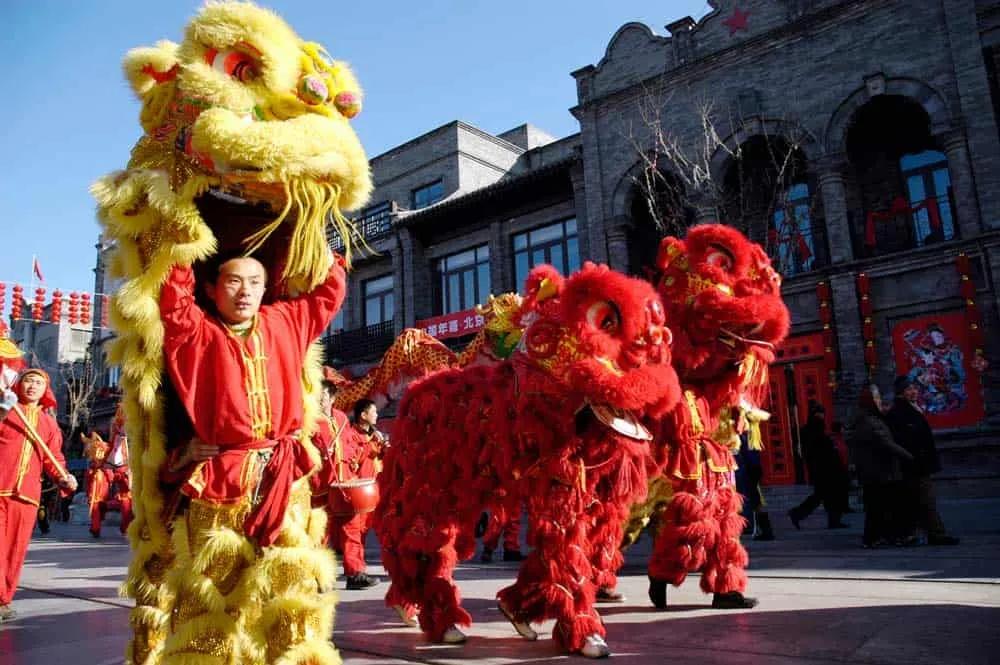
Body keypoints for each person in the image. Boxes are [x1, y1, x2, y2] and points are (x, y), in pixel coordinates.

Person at [157, 249, 346, 660]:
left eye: (255, 282)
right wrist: (179, 240)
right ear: (212, 289)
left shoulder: (287, 321)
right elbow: (173, 299)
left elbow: (330, 291)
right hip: (221, 476)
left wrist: (315, 239)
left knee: (290, 589)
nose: (245, 292)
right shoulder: (196, 333)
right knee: (213, 592)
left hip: (284, 479)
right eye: (233, 281)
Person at [0, 368, 77, 622]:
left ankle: (4, 600)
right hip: (1, 488)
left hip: (28, 495)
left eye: (38, 383)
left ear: (46, 391)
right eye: (28, 381)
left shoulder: (49, 424)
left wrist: (65, 477)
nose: (32, 386)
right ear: (18, 385)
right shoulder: (6, 409)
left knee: (16, 550)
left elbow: (53, 459)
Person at [887, 375, 960, 546]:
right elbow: (903, 440)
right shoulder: (899, 413)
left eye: (915, 388)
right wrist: (914, 458)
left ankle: (915, 534)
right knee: (924, 500)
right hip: (914, 465)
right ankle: (934, 533)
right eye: (910, 389)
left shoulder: (912, 409)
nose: (914, 392)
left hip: (918, 463)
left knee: (918, 500)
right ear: (901, 393)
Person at [327, 399, 387, 590]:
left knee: (359, 534)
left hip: (371, 492)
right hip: (355, 493)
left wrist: (383, 448)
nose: (376, 415)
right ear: (363, 415)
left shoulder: (372, 436)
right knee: (352, 534)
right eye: (373, 411)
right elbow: (352, 461)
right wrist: (370, 447)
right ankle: (354, 572)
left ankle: (356, 569)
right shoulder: (351, 435)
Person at [847, 384, 914, 548]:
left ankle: (878, 537)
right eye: (876, 398)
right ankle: (888, 537)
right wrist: (909, 457)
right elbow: (886, 443)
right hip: (880, 472)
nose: (879, 401)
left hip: (873, 472)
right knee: (885, 507)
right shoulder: (870, 422)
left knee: (877, 507)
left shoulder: (864, 420)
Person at [789, 401, 849, 529]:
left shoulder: (812, 430)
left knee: (823, 495)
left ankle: (800, 514)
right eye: (819, 414)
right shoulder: (816, 431)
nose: (821, 417)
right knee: (826, 495)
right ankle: (798, 513)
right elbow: (819, 451)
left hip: (821, 468)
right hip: (824, 468)